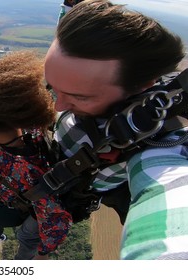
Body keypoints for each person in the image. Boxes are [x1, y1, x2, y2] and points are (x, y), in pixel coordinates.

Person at [44, 0, 188, 259]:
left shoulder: (158, 143)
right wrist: (71, 9)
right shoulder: (80, 63)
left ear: (142, 86)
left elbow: (173, 227)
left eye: (79, 97)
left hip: (106, 188)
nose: (58, 105)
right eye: (54, 87)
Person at [0, 51, 72, 260]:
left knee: (26, 237)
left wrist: (43, 253)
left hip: (31, 208)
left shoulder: (20, 168)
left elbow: (54, 218)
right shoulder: (31, 126)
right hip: (19, 199)